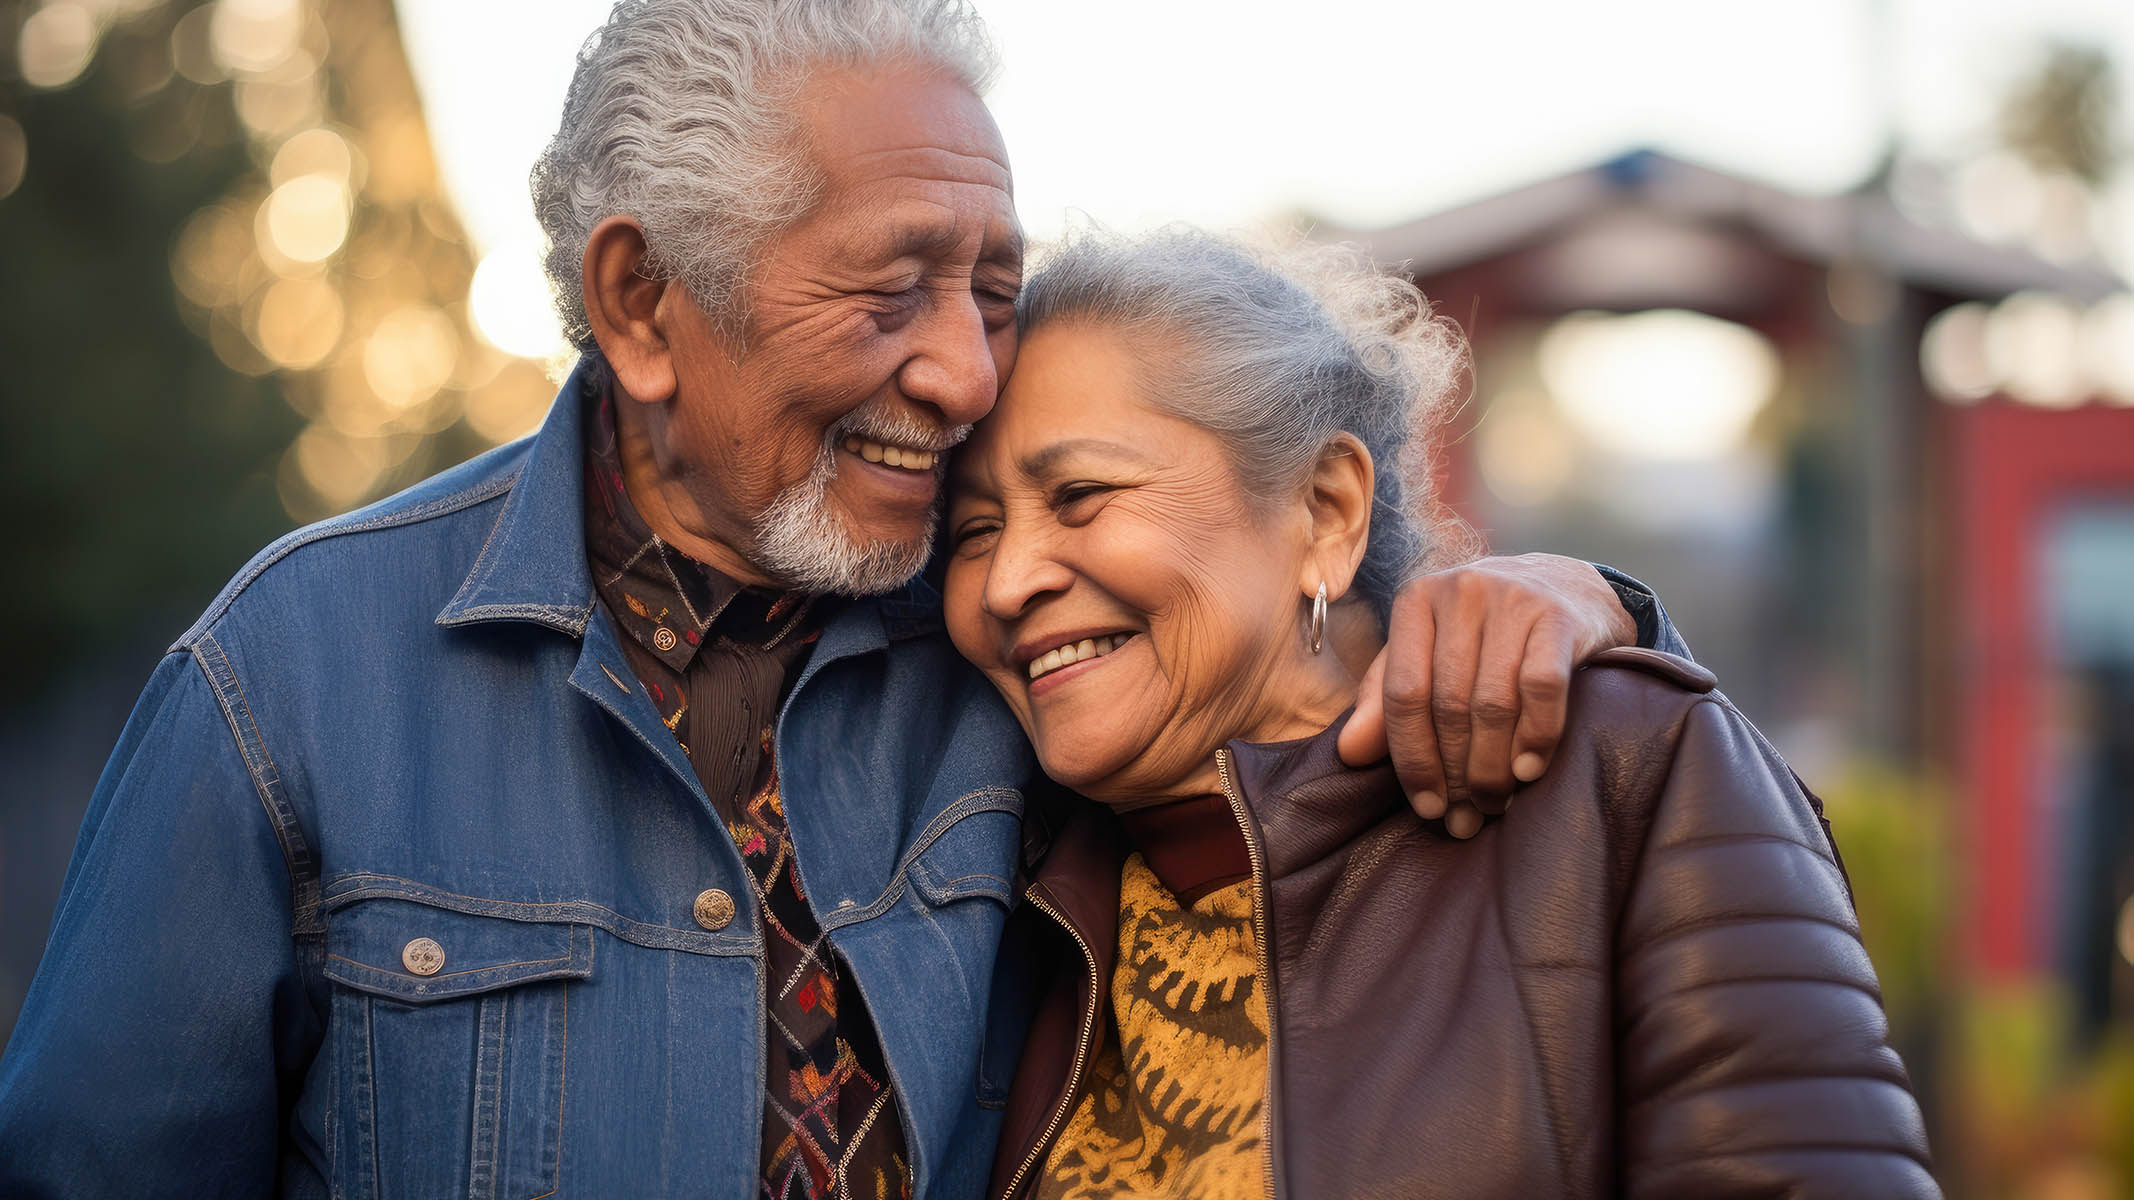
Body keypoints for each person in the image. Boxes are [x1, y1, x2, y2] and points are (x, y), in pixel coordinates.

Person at [0, 3, 1687, 1197]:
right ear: (644, 300)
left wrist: (1565, 604)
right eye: (894, 288)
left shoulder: (1016, 649)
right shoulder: (288, 680)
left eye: (993, 287)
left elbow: (1294, 724)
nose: (963, 372)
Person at [940, 228, 1938, 1199]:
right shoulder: (986, 897)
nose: (1007, 582)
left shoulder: (1620, 772)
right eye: (975, 530)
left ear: (1326, 511)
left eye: (1079, 495)